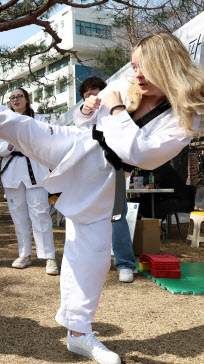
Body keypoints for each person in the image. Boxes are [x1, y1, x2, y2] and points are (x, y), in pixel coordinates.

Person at [0, 32, 204, 364]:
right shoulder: (128, 88)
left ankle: (78, 332)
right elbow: (85, 121)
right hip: (77, 144)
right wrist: (87, 108)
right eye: (134, 67)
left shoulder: (185, 116)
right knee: (12, 123)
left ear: (167, 66)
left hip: (105, 178)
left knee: (93, 257)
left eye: (144, 68)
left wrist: (113, 107)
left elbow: (138, 152)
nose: (137, 75)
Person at [0, 88, 59, 276]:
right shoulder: (4, 121)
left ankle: (49, 256)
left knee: (40, 214)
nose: (16, 100)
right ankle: (24, 254)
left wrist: (25, 141)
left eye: (19, 96)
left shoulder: (39, 119)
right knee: (18, 215)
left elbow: (47, 141)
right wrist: (9, 144)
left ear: (27, 99)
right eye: (12, 97)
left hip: (35, 171)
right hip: (13, 172)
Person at [79, 76, 136, 283]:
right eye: (87, 95)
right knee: (87, 217)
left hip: (115, 168)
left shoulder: (117, 111)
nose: (92, 98)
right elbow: (79, 124)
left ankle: (125, 263)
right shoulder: (83, 114)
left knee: (117, 216)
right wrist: (86, 109)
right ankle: (92, 262)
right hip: (88, 170)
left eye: (96, 93)